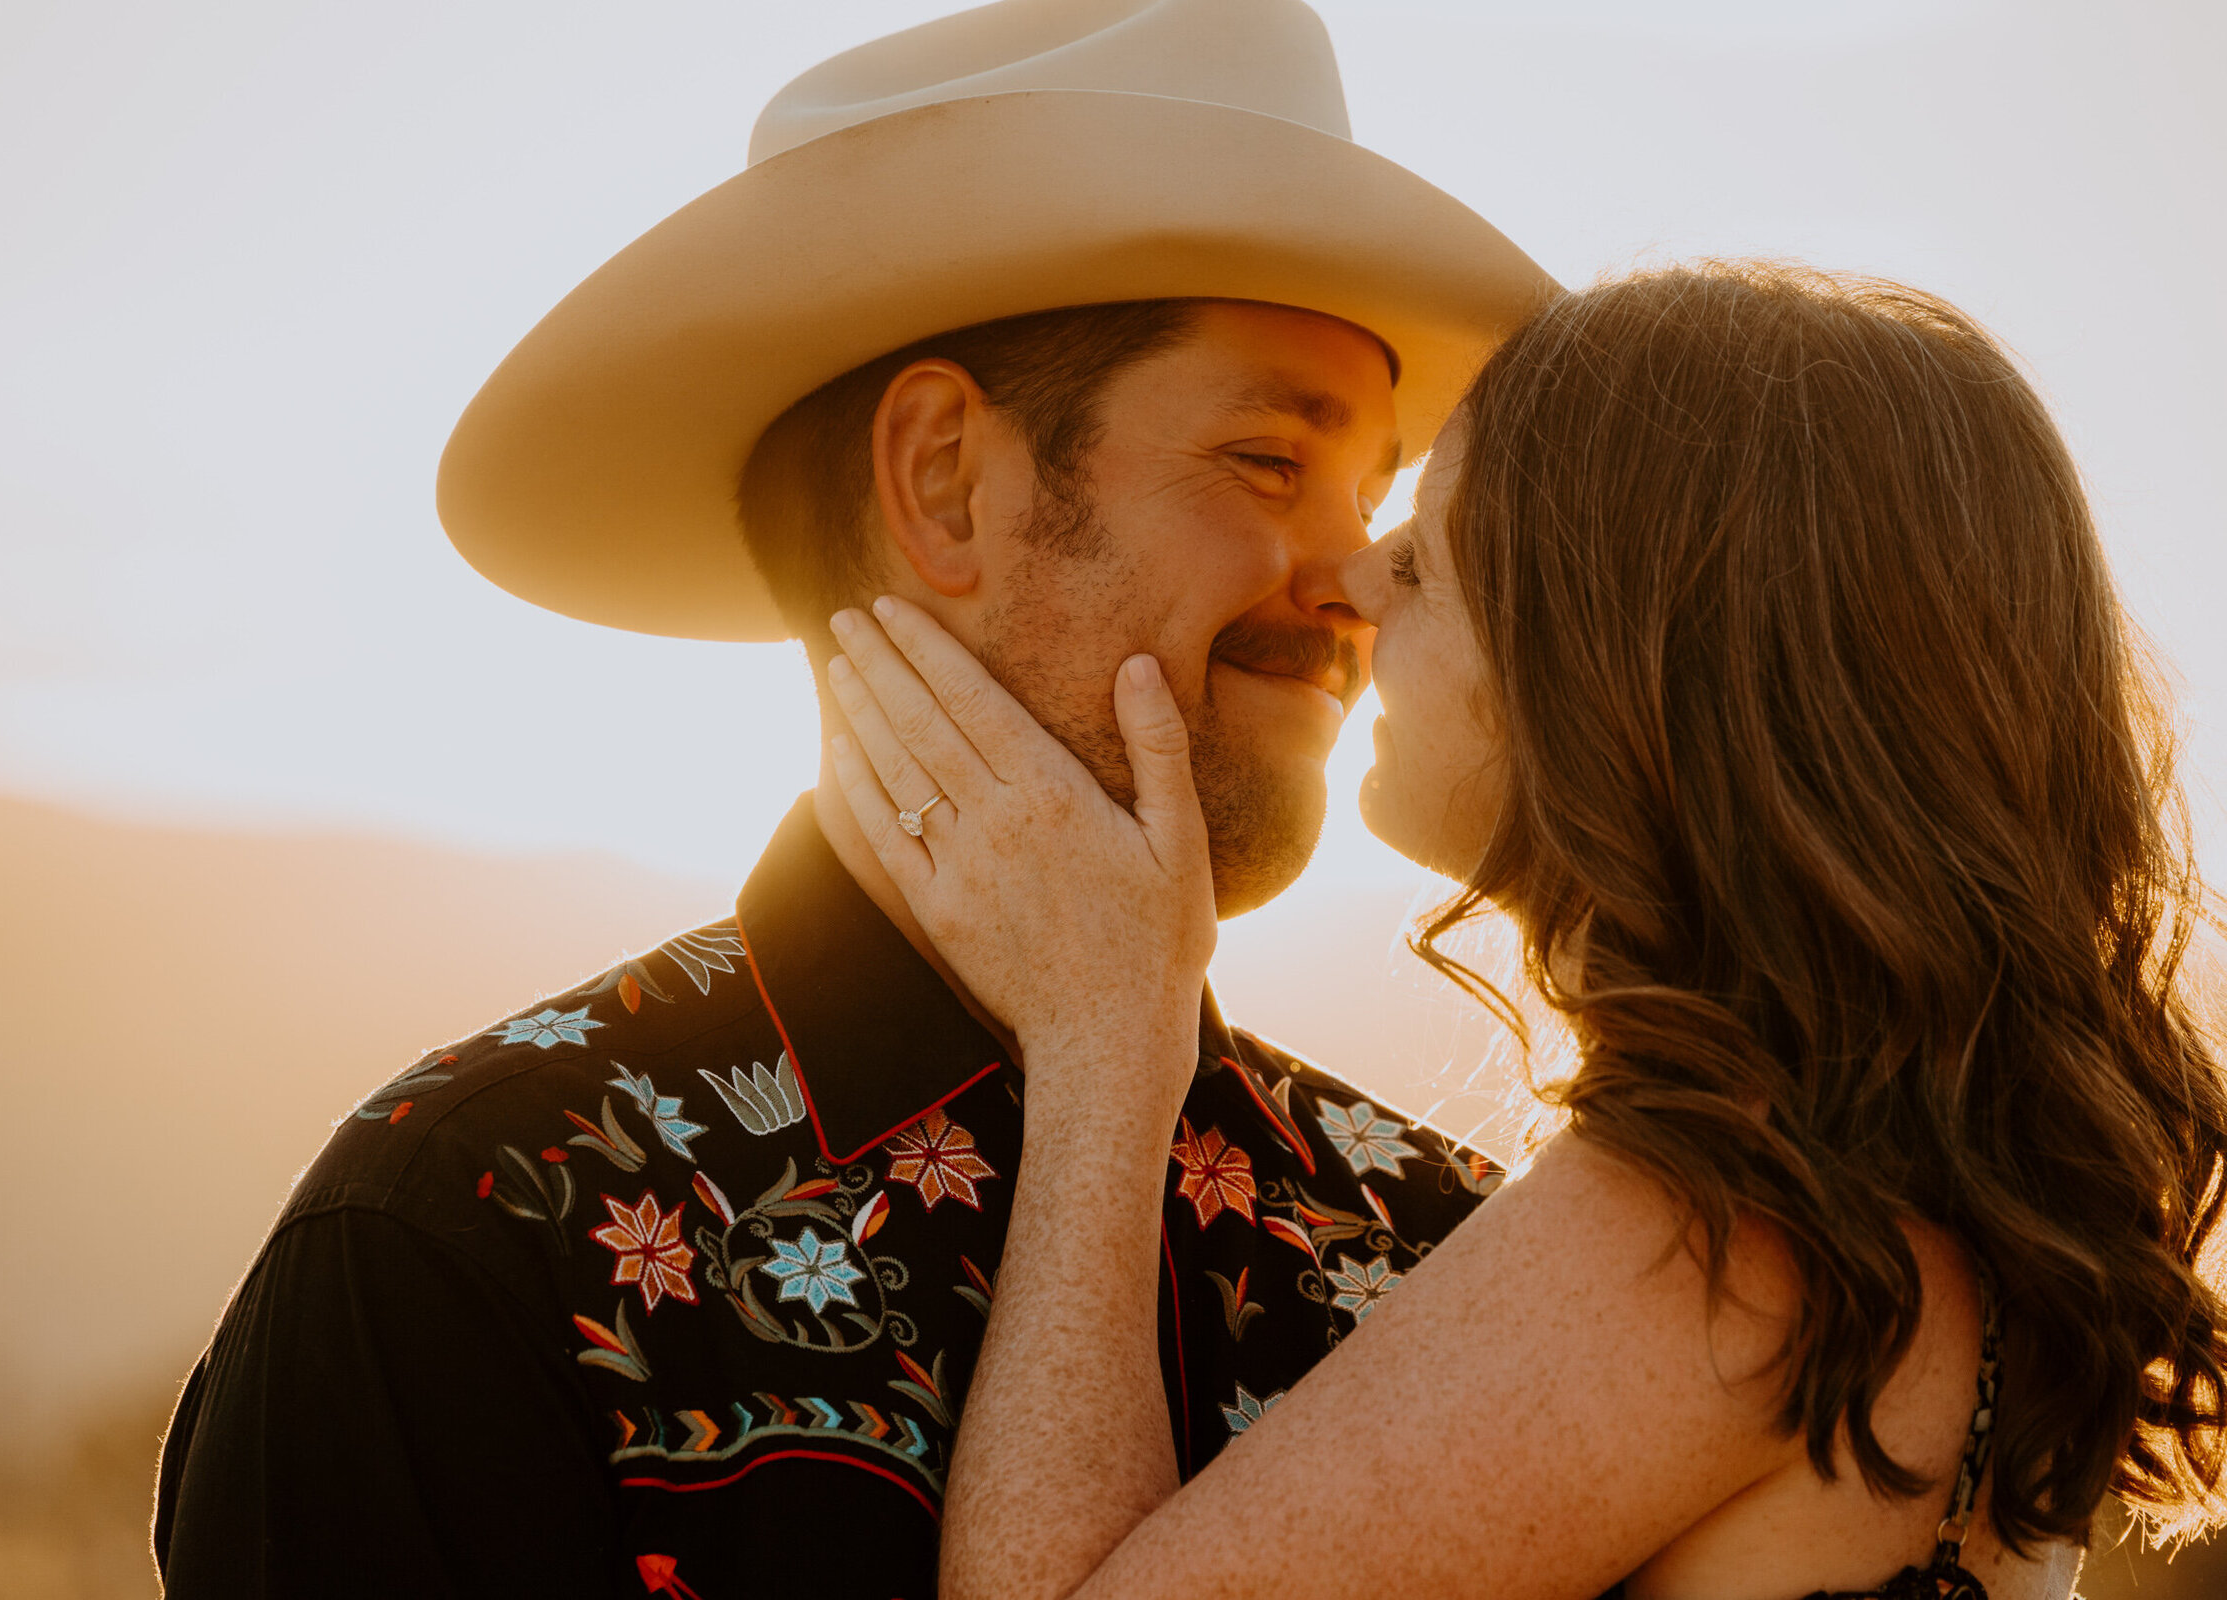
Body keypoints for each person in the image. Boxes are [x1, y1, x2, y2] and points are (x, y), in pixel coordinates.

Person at [152, 2, 1554, 1594]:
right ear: (947, 480)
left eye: (1373, 493)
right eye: (1266, 463)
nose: (1360, 582)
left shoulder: (1441, 1250)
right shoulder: (471, 1233)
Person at [824, 262, 2227, 1597]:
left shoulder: (1727, 1233)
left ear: (1622, 664)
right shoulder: (1893, 1175)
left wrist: (1103, 1047)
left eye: (1428, 558)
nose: (1356, 585)